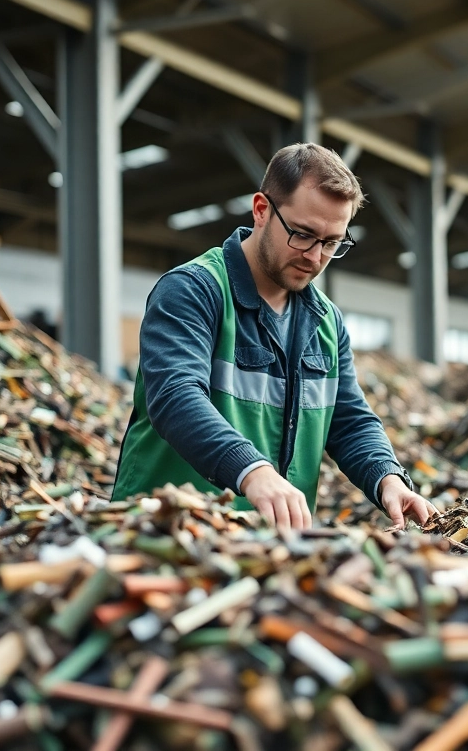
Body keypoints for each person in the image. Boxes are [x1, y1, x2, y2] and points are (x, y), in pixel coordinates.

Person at [113, 143, 437, 530]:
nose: (315, 257)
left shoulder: (326, 322)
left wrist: (387, 478)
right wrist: (252, 471)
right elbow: (176, 395)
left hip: (269, 553)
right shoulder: (193, 290)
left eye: (332, 243)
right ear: (262, 210)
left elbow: (349, 421)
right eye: (303, 235)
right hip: (164, 535)